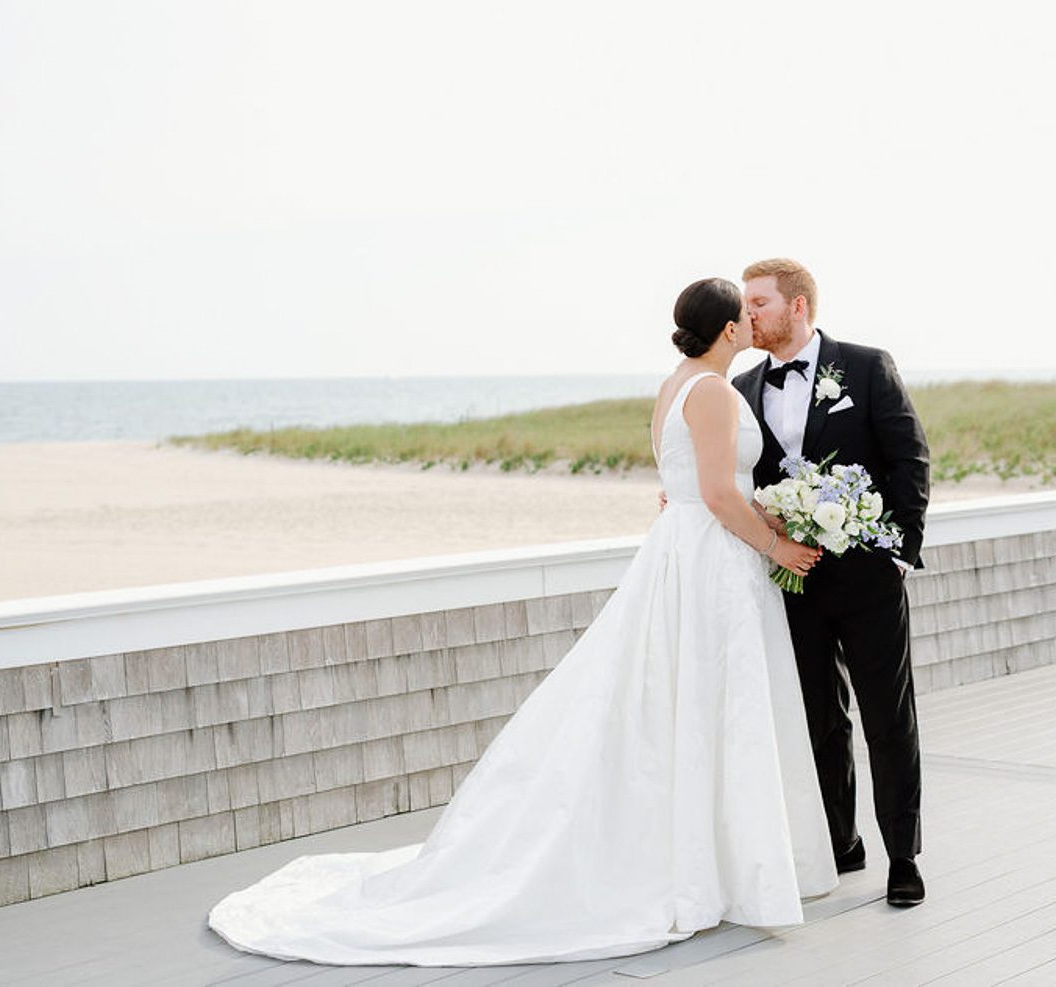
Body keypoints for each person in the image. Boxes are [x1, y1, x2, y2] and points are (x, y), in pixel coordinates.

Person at [207, 278, 836, 966]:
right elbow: (716, 492)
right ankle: (710, 865)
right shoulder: (713, 390)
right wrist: (776, 546)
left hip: (685, 553)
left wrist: (767, 514)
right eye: (743, 315)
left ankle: (714, 858)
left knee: (687, 705)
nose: (752, 323)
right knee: (710, 703)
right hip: (709, 563)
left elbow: (699, 486)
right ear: (724, 329)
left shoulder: (676, 383)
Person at [733, 258, 930, 908]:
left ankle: (903, 856)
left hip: (869, 574)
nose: (748, 313)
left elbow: (909, 456)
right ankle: (841, 841)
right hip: (790, 578)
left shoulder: (868, 366)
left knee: (887, 718)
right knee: (817, 716)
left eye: (758, 301)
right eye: (744, 302)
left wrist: (900, 552)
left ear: (798, 306)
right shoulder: (740, 386)